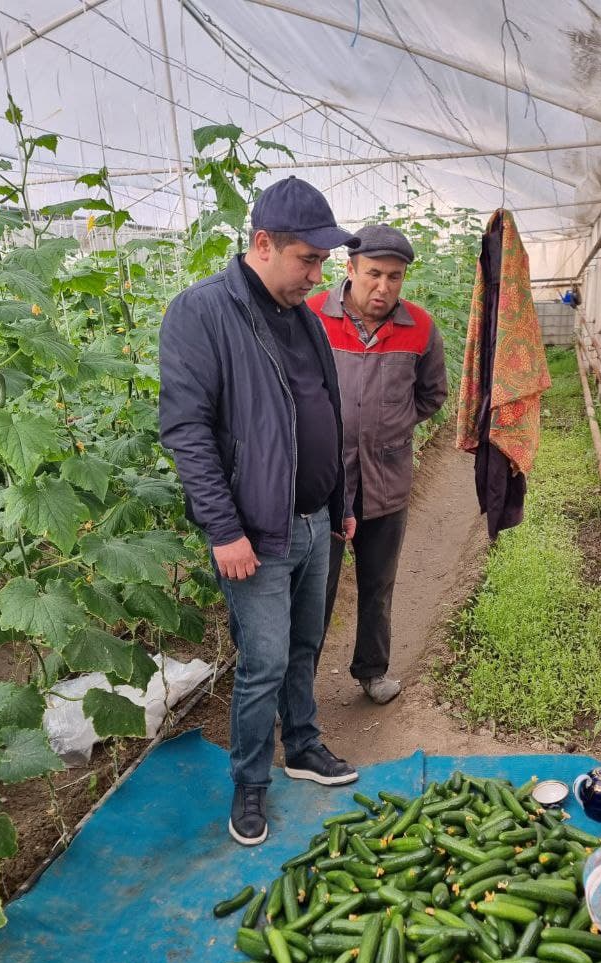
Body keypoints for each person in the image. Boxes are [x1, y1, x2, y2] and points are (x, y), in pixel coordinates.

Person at [159, 177, 360, 847]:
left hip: (313, 522)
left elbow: (324, 410)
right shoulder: (202, 312)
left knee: (305, 647)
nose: (319, 273)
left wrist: (340, 500)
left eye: (324, 262)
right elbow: (187, 430)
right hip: (256, 534)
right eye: (309, 259)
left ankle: (302, 746)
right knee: (264, 662)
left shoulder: (301, 316)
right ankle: (250, 785)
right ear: (264, 244)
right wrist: (224, 530)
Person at [309, 224, 448, 704]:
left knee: (378, 584)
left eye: (395, 277)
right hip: (323, 482)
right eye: (373, 274)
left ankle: (372, 671)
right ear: (349, 269)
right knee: (314, 591)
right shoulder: (311, 317)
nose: (383, 287)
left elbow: (433, 393)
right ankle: (297, 685)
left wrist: (392, 423)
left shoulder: (421, 328)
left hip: (386, 478)